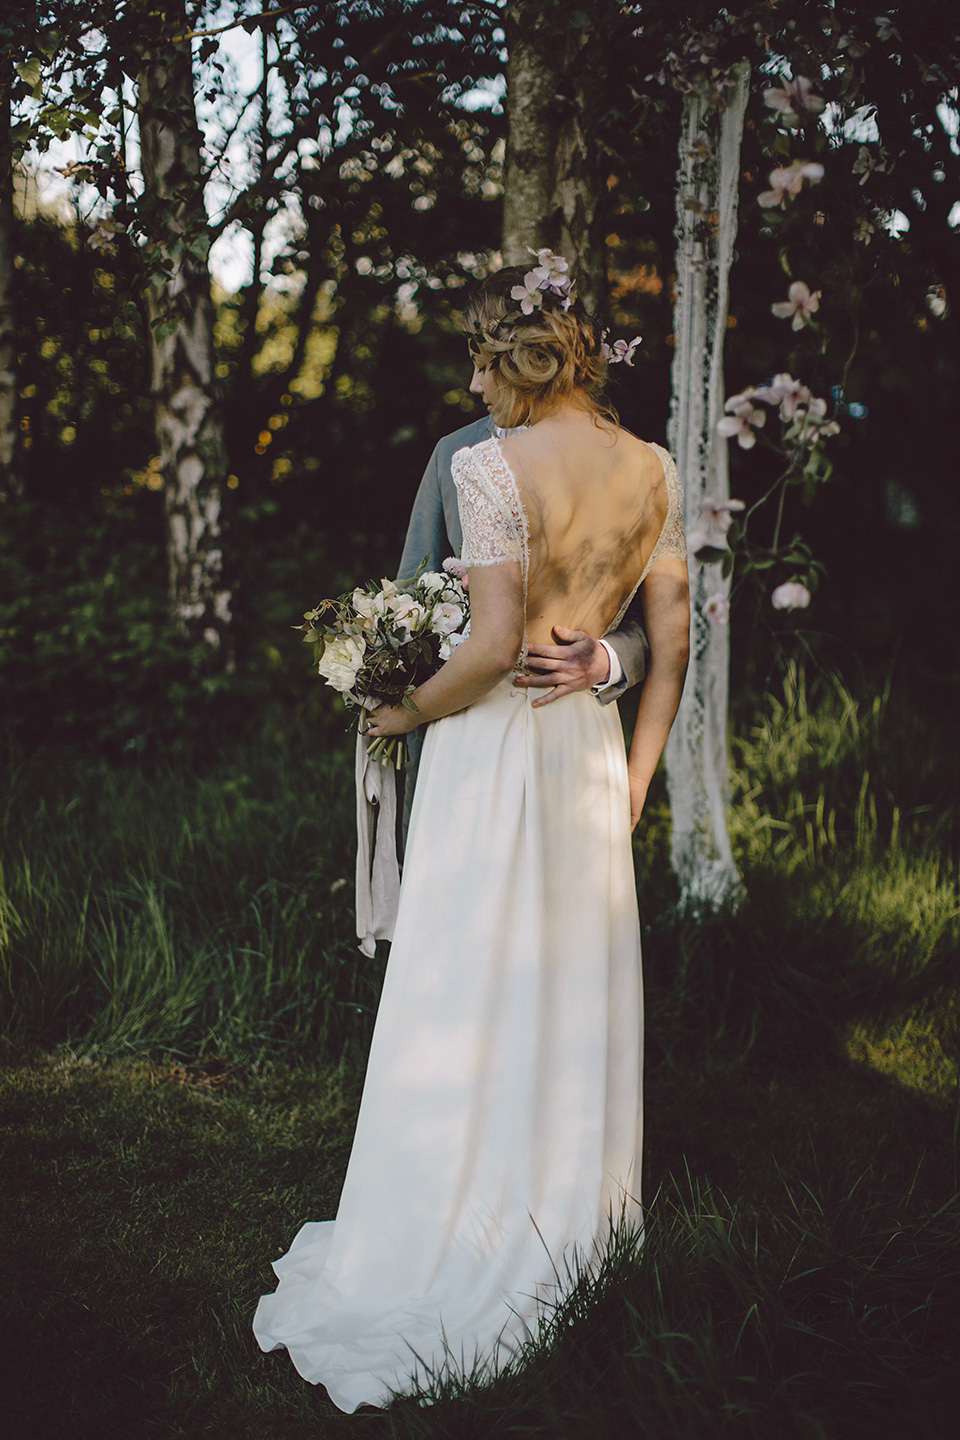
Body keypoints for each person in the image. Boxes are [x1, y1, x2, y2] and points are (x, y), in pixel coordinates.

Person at [252, 260, 690, 1412]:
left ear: (514, 361)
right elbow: (672, 643)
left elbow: (492, 644)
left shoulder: (491, 465)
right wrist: (634, 786)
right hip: (587, 759)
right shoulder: (653, 467)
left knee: (465, 981)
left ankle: (451, 1224)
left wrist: (403, 710)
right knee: (566, 984)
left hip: (496, 759)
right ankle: (571, 1228)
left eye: (478, 361)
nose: (470, 384)